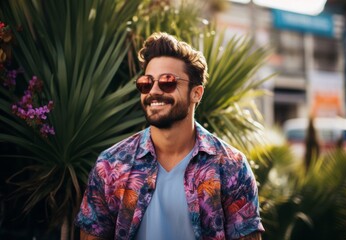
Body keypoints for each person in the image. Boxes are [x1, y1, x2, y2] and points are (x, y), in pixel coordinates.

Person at [75, 32, 264, 240]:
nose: (154, 91)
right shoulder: (111, 165)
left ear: (196, 93)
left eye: (167, 81)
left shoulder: (231, 167)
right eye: (147, 83)